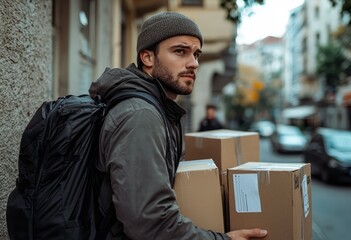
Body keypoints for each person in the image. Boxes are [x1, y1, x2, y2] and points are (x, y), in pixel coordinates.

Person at [89, 12, 267, 240]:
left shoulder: (160, 110)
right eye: (180, 51)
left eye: (196, 54)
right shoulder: (141, 116)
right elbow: (150, 223)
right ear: (148, 58)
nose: (193, 63)